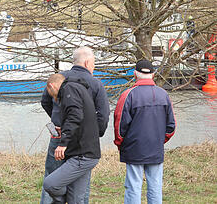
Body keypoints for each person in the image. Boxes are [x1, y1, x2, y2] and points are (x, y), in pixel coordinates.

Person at [40, 46, 110, 204]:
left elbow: (45, 101)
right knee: (79, 184)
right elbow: (103, 116)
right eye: (93, 63)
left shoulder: (58, 78)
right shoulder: (95, 83)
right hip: (84, 143)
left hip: (59, 136)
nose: (94, 67)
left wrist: (58, 121)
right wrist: (93, 133)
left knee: (52, 176)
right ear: (86, 62)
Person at [113, 60, 176, 204]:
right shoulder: (164, 95)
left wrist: (120, 144)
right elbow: (171, 126)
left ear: (135, 73)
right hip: (155, 147)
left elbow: (119, 126)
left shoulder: (127, 95)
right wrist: (159, 140)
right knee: (155, 185)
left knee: (133, 186)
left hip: (134, 148)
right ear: (153, 74)